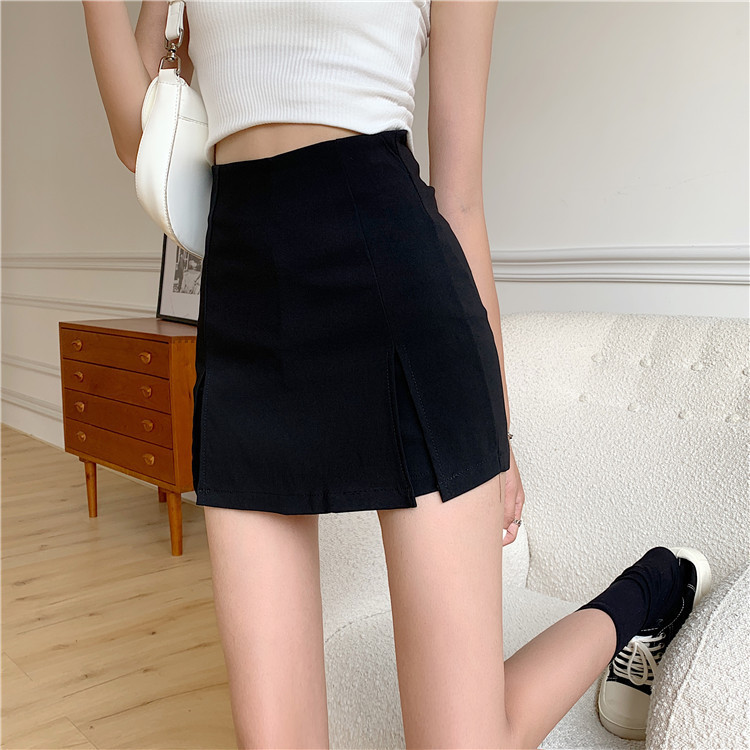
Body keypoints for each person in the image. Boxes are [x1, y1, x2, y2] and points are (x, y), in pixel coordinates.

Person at [82, 2, 712, 747]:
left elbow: (461, 201)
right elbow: (137, 138)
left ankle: (652, 586)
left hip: (402, 302)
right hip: (247, 321)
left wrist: (500, 435)